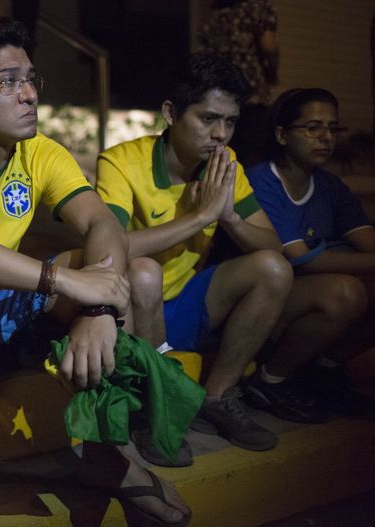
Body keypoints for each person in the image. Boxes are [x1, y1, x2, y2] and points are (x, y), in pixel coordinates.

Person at [0, 18, 191, 527]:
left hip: (3, 320)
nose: (28, 95)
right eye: (7, 82)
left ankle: (108, 453)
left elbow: (102, 223)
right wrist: (63, 282)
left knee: (124, 267)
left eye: (30, 80)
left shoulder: (39, 152)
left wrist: (96, 306)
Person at [96, 53, 294, 453]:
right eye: (207, 119)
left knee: (272, 268)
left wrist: (230, 219)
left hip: (186, 305)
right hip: (133, 310)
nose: (221, 134)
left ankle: (218, 397)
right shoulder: (121, 162)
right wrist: (200, 215)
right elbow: (107, 246)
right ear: (171, 113)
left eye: (231, 122)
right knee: (144, 271)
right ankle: (153, 410)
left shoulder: (224, 164)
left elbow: (274, 247)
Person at [245, 88, 375, 419]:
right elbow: (304, 260)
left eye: (333, 128)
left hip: (303, 294)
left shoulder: (330, 186)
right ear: (282, 135)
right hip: (258, 299)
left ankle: (324, 369)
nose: (326, 138)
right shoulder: (262, 181)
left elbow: (367, 243)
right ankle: (270, 379)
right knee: (346, 292)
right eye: (313, 127)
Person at [198, 0, 279, 166]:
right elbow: (269, 46)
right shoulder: (256, 8)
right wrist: (273, 70)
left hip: (219, 97)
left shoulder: (212, 17)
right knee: (255, 152)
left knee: (224, 152)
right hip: (252, 93)